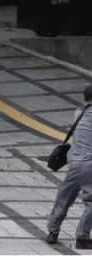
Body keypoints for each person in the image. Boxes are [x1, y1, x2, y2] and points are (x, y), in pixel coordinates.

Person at [46, 84, 92, 249]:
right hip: (90, 165)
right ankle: (82, 237)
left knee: (64, 198)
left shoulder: (79, 112)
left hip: (75, 164)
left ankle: (53, 231)